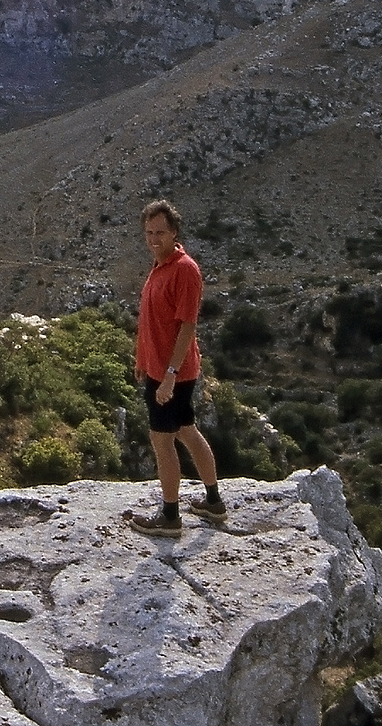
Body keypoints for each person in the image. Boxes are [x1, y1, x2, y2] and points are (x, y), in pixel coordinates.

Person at [125, 199, 226, 537]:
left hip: (174, 372)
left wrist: (168, 376)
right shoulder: (160, 266)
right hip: (159, 369)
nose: (154, 238)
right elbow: (151, 321)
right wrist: (143, 359)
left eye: (160, 232)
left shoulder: (184, 270)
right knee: (186, 430)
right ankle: (213, 501)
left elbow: (187, 326)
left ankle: (170, 516)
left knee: (162, 440)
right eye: (149, 232)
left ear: (175, 232)